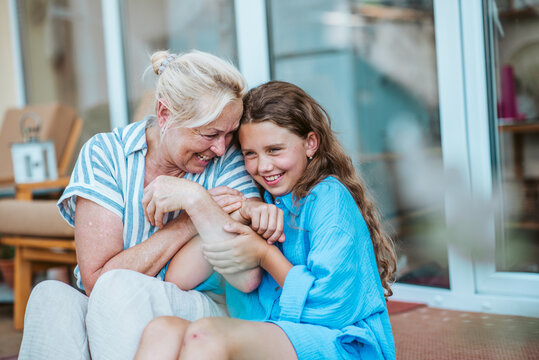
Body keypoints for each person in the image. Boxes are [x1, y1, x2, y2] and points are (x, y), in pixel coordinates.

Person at [18, 50, 275, 360]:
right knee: (50, 296)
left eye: (229, 133)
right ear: (164, 115)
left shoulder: (228, 159)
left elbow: (246, 272)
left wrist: (194, 198)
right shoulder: (106, 154)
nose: (221, 147)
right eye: (209, 133)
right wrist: (190, 220)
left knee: (120, 289)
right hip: (112, 303)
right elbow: (96, 281)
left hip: (201, 306)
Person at [135, 80, 398, 359]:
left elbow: (331, 308)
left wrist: (264, 254)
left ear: (310, 143)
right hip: (274, 335)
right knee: (161, 330)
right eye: (250, 154)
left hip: (341, 343)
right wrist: (205, 205)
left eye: (274, 150)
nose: (263, 166)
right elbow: (179, 278)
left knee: (206, 335)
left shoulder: (329, 199)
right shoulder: (258, 205)